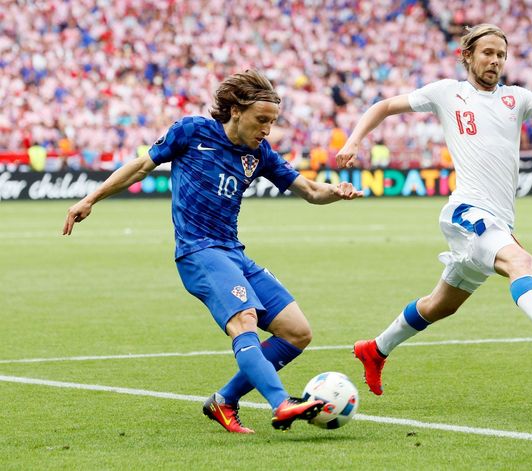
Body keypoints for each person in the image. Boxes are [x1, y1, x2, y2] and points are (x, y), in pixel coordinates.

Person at [335, 24, 532, 396]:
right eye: (488, 53)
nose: (495, 61)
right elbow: (384, 106)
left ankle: (375, 349)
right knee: (520, 262)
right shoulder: (448, 93)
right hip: (467, 212)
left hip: (498, 218)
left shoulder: (517, 99)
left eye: (501, 55)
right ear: (467, 56)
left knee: (440, 305)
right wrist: (353, 141)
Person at [63, 70, 363, 431]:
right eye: (262, 120)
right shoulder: (191, 131)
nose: (267, 129)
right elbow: (141, 167)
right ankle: (281, 403)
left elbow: (311, 191)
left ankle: (224, 401)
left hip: (234, 252)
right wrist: (90, 198)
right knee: (244, 321)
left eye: (273, 122)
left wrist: (338, 190)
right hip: (198, 252)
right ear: (236, 110)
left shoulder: (260, 154)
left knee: (297, 332)